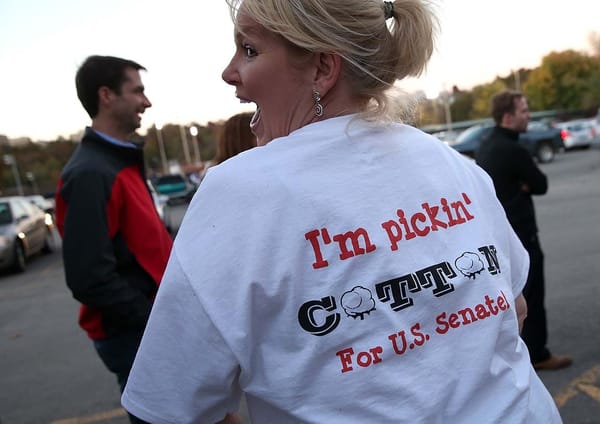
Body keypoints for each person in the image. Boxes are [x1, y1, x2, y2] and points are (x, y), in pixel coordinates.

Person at [122, 1, 561, 422]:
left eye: (250, 50)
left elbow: (166, 404)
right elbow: (514, 309)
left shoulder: (238, 193)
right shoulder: (452, 163)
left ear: (322, 69)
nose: (229, 73)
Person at [55, 55, 173, 423]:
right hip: (135, 334)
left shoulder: (115, 161)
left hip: (146, 328)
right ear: (106, 96)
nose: (147, 101)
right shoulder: (91, 172)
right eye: (137, 90)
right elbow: (89, 277)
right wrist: (152, 317)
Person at [475, 89, 572, 371]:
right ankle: (538, 354)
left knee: (510, 297)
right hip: (523, 235)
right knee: (531, 295)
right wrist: (524, 185)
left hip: (497, 237)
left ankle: (513, 350)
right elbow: (540, 183)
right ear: (508, 116)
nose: (529, 116)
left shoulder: (486, 144)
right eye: (524, 111)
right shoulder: (513, 149)